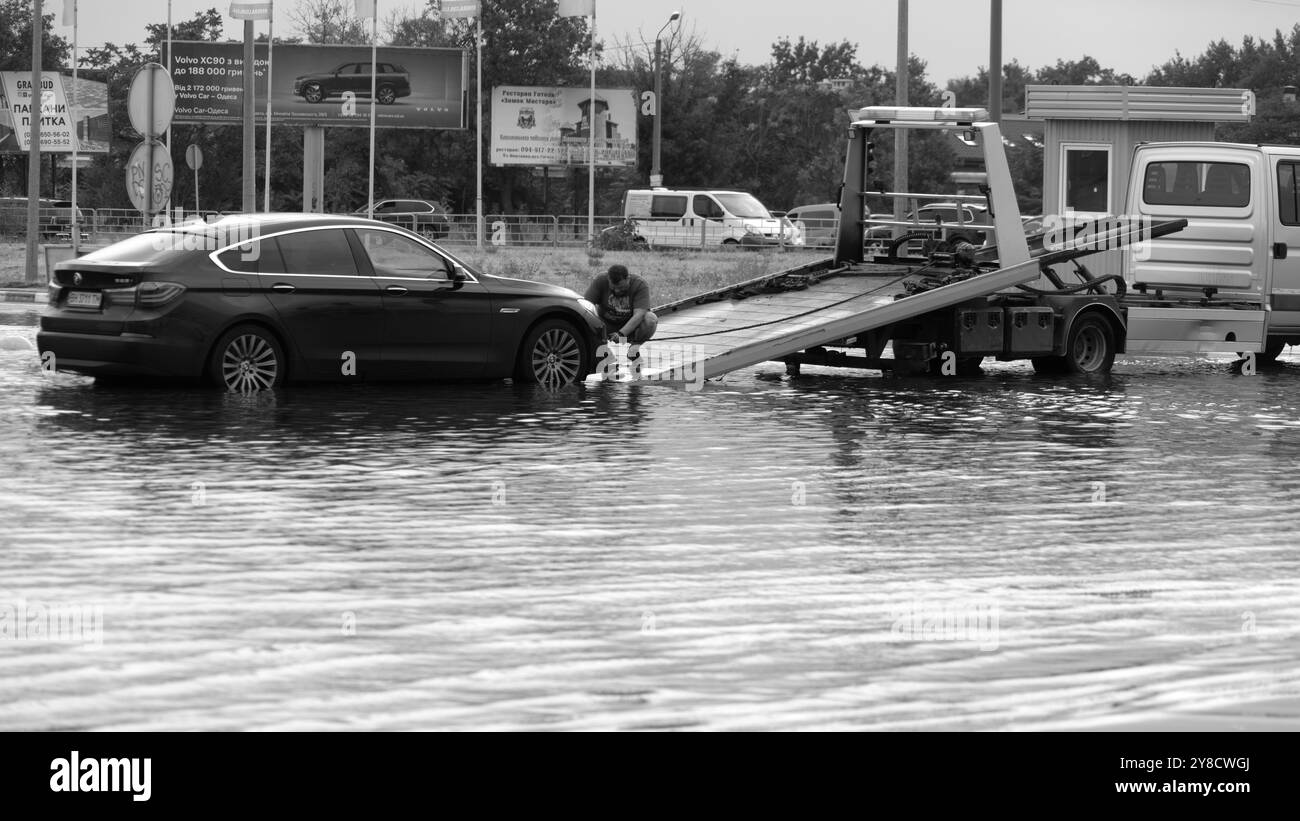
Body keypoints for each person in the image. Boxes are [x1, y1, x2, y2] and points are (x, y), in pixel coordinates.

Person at [584, 263, 658, 358]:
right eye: (613, 288)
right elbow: (585, 306)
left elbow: (639, 315)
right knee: (586, 319)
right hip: (605, 327)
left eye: (621, 288)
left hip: (630, 329)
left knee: (650, 320)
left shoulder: (640, 284)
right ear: (608, 279)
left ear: (628, 279)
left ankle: (633, 349)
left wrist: (621, 333)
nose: (617, 291)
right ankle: (603, 351)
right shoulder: (600, 280)